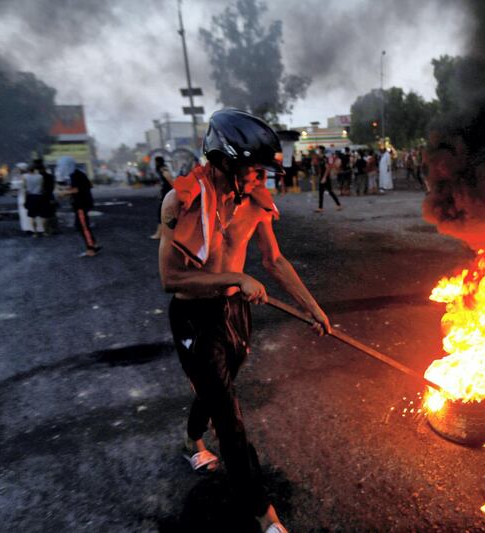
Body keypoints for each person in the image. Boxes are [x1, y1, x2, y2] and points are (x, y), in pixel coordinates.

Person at [159, 109, 331, 533]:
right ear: (224, 161)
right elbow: (170, 278)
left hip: (234, 314)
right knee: (229, 414)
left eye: (262, 173)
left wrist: (312, 307)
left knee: (218, 389)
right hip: (193, 317)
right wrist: (235, 275)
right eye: (253, 172)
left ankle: (192, 438)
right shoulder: (181, 201)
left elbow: (273, 260)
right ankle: (264, 515)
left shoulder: (254, 203)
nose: (260, 181)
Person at [60, 156, 100, 257]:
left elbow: (76, 189)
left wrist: (64, 193)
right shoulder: (78, 173)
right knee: (81, 226)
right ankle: (93, 244)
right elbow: (82, 187)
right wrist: (68, 190)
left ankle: (91, 249)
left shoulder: (75, 175)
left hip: (81, 205)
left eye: (63, 165)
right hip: (82, 204)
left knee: (83, 226)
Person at [150, 156, 175, 239]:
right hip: (166, 192)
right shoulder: (162, 168)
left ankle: (159, 234)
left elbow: (169, 178)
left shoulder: (163, 168)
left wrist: (175, 188)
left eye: (155, 161)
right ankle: (161, 233)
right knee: (164, 213)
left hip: (167, 193)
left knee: (161, 212)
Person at [16, 163, 34, 234]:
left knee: (24, 213)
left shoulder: (22, 177)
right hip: (26, 196)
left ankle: (27, 228)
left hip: (24, 196)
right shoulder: (28, 176)